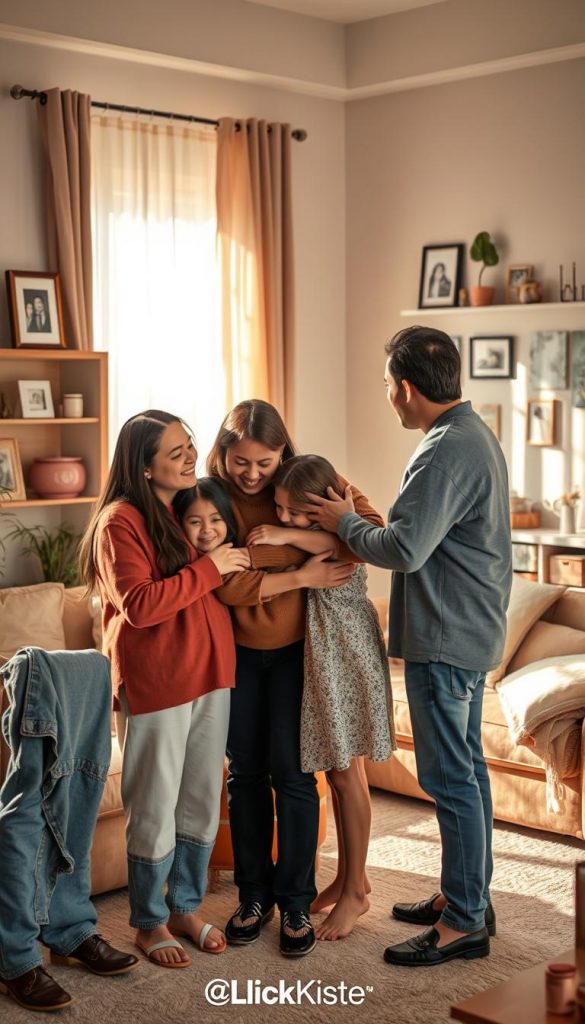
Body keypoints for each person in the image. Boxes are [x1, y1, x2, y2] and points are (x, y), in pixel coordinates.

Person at [307, 326, 512, 968]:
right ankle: (468, 898)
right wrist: (357, 517)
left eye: (386, 389)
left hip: (448, 639)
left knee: (451, 779)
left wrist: (341, 523)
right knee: (468, 774)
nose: (388, 400)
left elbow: (402, 548)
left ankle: (464, 922)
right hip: (470, 632)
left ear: (406, 388)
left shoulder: (445, 449)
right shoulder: (471, 434)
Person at [207, 399, 383, 957]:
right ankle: (253, 895)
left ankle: (296, 902)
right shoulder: (213, 498)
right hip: (237, 652)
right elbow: (223, 585)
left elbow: (371, 536)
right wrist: (301, 575)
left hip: (300, 656)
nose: (254, 475)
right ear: (224, 453)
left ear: (284, 452)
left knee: (296, 773)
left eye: (265, 462)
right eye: (242, 463)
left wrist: (285, 548)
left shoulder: (308, 482)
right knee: (246, 775)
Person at [79, 410, 250, 969]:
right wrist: (213, 568)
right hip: (157, 682)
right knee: (153, 803)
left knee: (200, 798)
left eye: (189, 446)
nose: (189, 456)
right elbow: (142, 604)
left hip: (211, 675)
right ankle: (149, 922)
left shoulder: (182, 510)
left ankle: (184, 907)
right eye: (175, 451)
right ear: (143, 464)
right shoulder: (119, 522)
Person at [246, 453, 395, 941]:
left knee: (346, 776)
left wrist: (284, 536)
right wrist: (291, 535)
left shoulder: (344, 527)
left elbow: (345, 541)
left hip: (345, 655)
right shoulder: (331, 528)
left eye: (291, 511)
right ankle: (352, 877)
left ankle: (355, 893)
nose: (281, 518)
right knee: (342, 772)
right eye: (280, 510)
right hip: (326, 655)